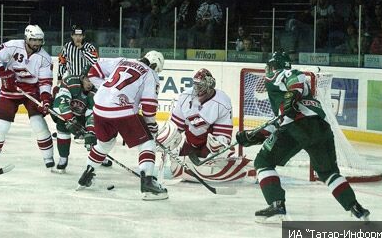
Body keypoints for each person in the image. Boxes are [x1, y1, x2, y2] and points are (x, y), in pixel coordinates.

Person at [236, 50, 370, 223]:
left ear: (275, 67)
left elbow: (296, 80)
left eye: (270, 67)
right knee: (328, 172)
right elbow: (280, 121)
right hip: (320, 128)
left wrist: (292, 96)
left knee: (263, 162)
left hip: (297, 128)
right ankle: (356, 208)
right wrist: (253, 136)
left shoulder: (286, 74)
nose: (267, 72)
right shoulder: (286, 97)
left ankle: (277, 204)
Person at [77, 51, 168, 200]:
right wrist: (152, 128)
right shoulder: (150, 74)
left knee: (104, 144)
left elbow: (93, 72)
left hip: (99, 107)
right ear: (154, 65)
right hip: (122, 109)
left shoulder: (122, 61)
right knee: (147, 143)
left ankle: (87, 174)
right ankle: (148, 184)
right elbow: (149, 106)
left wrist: (108, 90)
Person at [156, 69, 253, 183]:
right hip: (191, 143)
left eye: (200, 86)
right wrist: (167, 139)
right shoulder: (185, 97)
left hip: (208, 144)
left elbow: (223, 135)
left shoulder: (222, 102)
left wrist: (215, 152)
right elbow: (176, 127)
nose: (196, 90)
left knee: (218, 150)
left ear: (209, 86)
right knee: (177, 168)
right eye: (195, 85)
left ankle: (240, 167)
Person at [0, 25, 54, 169]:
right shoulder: (12, 46)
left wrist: (45, 99)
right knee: (0, 126)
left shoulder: (45, 58)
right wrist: (4, 74)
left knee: (38, 124)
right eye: (34, 40)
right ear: (26, 38)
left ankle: (48, 157)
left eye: (40, 40)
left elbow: (45, 82)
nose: (37, 43)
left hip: (31, 91)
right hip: (10, 90)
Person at [51, 70, 98, 173]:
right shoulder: (70, 81)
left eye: (93, 81)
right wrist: (70, 119)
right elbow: (60, 104)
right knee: (62, 129)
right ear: (82, 78)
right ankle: (63, 158)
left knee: (96, 134)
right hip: (67, 113)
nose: (90, 84)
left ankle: (100, 155)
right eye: (88, 80)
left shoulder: (97, 91)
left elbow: (93, 114)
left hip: (83, 116)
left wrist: (90, 130)